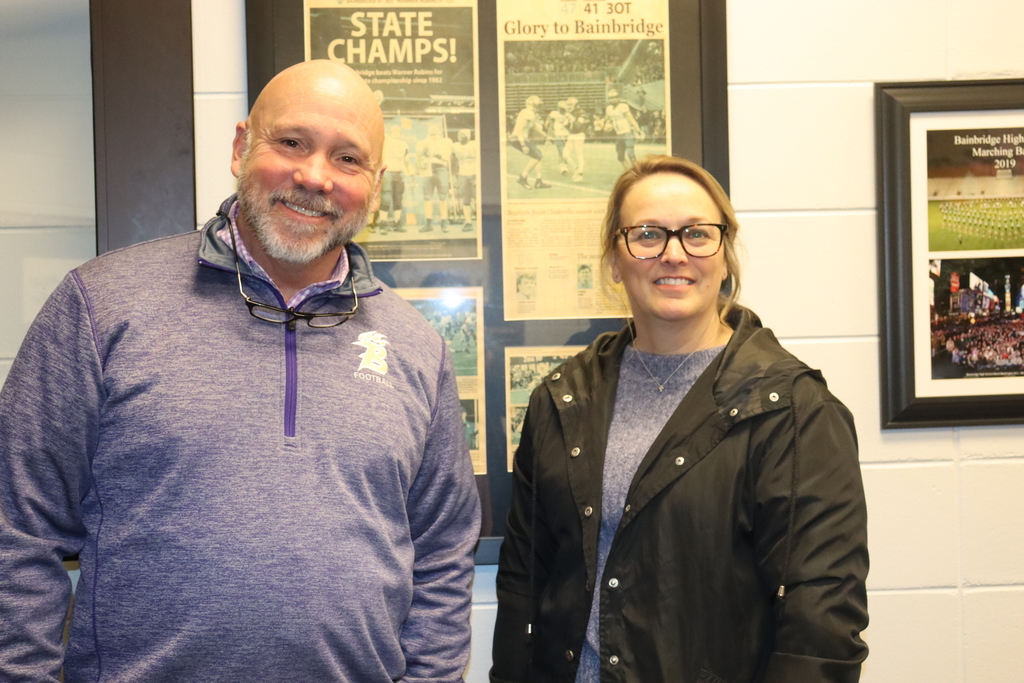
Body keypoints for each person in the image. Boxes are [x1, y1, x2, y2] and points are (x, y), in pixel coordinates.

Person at [0, 60, 481, 682]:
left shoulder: (416, 348)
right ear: (239, 146)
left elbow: (442, 554)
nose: (314, 177)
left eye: (348, 159)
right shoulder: (102, 305)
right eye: (291, 143)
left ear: (376, 184)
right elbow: (17, 526)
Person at [491, 155, 868, 683]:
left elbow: (821, 622)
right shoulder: (560, 401)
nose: (673, 254)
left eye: (696, 233)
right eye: (647, 234)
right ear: (614, 262)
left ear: (725, 256)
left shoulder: (795, 412)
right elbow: (521, 584)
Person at [510, 95, 551, 190]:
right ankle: (523, 177)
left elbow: (533, 126)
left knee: (538, 155)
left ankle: (538, 181)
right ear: (534, 105)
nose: (539, 108)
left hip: (521, 138)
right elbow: (519, 130)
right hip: (518, 138)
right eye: (538, 105)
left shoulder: (530, 113)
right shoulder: (527, 113)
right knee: (537, 156)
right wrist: (523, 145)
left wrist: (544, 135)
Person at [605, 88, 643, 170]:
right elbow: (609, 119)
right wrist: (608, 125)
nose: (613, 99)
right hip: (619, 135)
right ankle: (630, 173)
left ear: (618, 97)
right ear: (609, 99)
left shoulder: (623, 106)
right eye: (611, 98)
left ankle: (638, 173)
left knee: (631, 155)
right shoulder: (608, 108)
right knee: (620, 157)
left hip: (627, 133)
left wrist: (638, 130)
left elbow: (631, 119)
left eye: (615, 97)